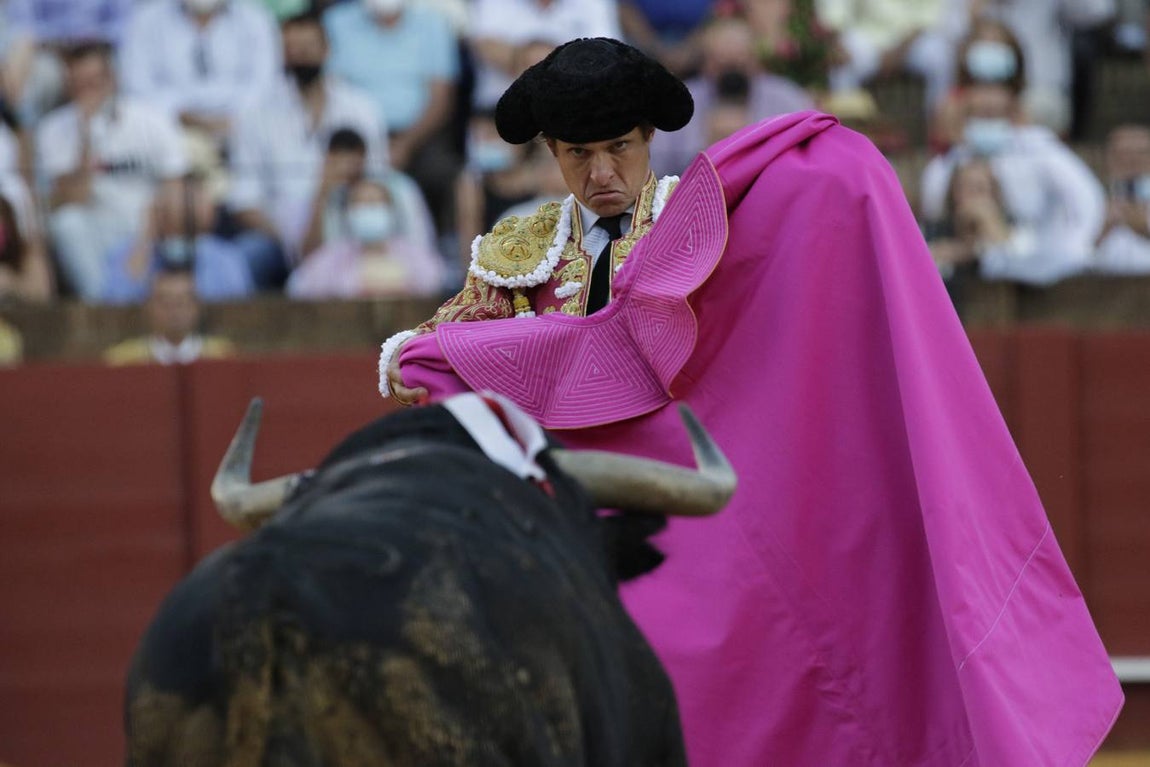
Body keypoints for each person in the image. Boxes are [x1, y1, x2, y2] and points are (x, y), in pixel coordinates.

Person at [377, 37, 1123, 766]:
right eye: (578, 154)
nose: (601, 173)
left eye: (619, 148)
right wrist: (413, 358)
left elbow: (826, 220)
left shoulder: (714, 221)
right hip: (570, 526)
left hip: (708, 515)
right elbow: (445, 345)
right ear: (550, 151)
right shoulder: (516, 250)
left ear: (648, 139)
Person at [920, 30, 1106, 286]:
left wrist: (1074, 251)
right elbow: (934, 208)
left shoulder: (1039, 149)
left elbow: (1087, 202)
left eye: (995, 112)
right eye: (979, 113)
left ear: (1014, 105)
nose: (987, 111)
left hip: (1034, 272)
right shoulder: (947, 164)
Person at [227, 10, 387, 283]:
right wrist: (290, 239)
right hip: (277, 235)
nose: (300, 56)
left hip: (347, 227)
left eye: (308, 48)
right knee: (245, 257)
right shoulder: (255, 115)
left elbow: (377, 179)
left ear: (326, 49)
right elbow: (244, 200)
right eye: (292, 49)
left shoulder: (361, 108)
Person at [37, 42, 188, 300]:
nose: (88, 93)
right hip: (96, 229)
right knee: (66, 224)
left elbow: (175, 191)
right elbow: (73, 199)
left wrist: (144, 244)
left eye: (94, 83)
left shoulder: (152, 119)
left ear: (112, 79)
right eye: (79, 85)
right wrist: (85, 136)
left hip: (149, 225)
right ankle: (101, 305)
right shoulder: (53, 129)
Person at [119, 0, 281, 147]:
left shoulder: (255, 18)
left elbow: (263, 85)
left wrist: (229, 121)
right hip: (169, 130)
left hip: (241, 129)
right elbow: (138, 86)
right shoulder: (146, 19)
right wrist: (184, 117)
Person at [287, 175, 444, 299]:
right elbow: (298, 287)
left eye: (374, 203)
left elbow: (435, 281)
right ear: (348, 213)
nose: (368, 209)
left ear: (390, 210)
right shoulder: (333, 256)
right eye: (360, 204)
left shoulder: (413, 255)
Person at [103, 268, 235, 365]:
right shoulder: (123, 360)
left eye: (182, 302)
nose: (174, 310)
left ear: (197, 307)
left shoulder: (222, 356)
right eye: (165, 302)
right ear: (148, 308)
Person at [1094, 123, 1150, 274]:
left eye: (1141, 153)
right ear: (1108, 158)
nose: (1132, 161)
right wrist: (1100, 232)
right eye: (1123, 154)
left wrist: (1144, 230)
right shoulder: (1089, 200)